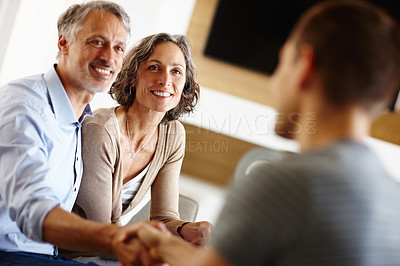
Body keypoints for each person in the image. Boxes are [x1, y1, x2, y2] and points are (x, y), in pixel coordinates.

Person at [132, 0, 400, 265]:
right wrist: (165, 243)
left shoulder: (284, 183)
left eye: (282, 62)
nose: (274, 81)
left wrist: (154, 241)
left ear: (305, 65)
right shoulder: (394, 202)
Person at [0, 1, 162, 265]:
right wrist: (114, 239)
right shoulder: (24, 106)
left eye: (119, 48)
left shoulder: (83, 120)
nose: (110, 57)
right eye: (97, 42)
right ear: (63, 43)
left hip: (47, 255)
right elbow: (33, 210)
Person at [72, 33, 212, 250]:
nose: (165, 81)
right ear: (133, 77)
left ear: (184, 84)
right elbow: (100, 230)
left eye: (176, 71)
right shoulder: (101, 129)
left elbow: (163, 218)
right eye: (154, 67)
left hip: (112, 250)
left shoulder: (172, 135)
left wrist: (188, 229)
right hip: (73, 250)